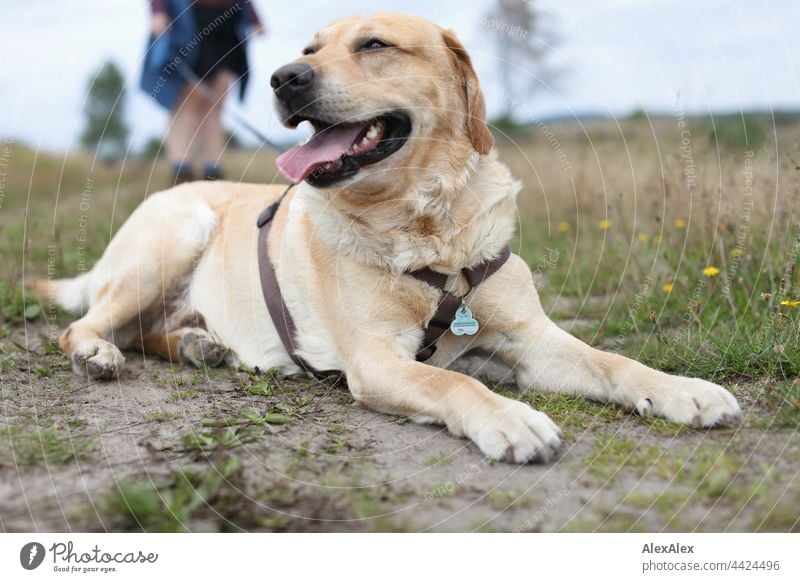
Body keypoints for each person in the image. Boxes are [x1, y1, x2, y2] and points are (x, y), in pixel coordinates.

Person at [140, 0, 265, 185]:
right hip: (189, 21)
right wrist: (158, 10)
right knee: (187, 102)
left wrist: (253, 17)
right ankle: (181, 173)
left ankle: (213, 173)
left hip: (228, 23)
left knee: (216, 104)